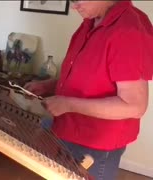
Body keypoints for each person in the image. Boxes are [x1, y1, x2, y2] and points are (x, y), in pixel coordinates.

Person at [25, 0, 153, 179]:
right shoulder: (91, 22)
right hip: (68, 130)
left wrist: (68, 104)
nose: (74, 6)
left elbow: (134, 105)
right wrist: (50, 85)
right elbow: (89, 78)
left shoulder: (128, 30)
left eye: (78, 0)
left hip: (96, 145)